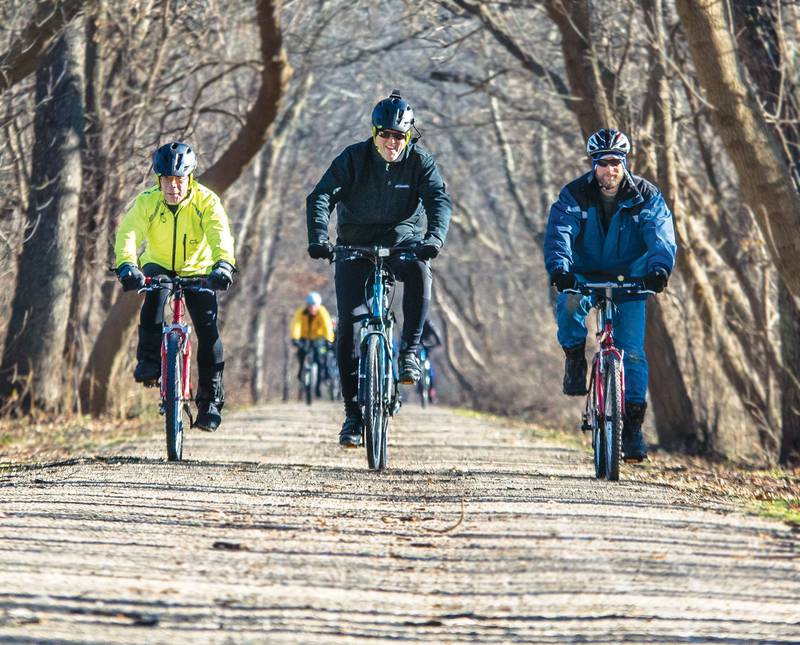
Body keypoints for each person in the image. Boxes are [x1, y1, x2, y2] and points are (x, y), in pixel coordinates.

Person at [306, 90, 452, 447]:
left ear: (408, 136)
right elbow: (321, 196)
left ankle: (408, 354)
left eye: (399, 136)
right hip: (353, 244)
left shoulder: (420, 162)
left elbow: (438, 199)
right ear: (374, 133)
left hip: (402, 240)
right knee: (348, 329)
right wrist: (318, 238)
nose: (392, 142)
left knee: (419, 270)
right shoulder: (353, 158)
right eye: (385, 134)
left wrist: (434, 238)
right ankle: (353, 415)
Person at [543, 128, 676, 462]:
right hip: (585, 273)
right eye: (603, 163)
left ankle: (632, 428)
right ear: (593, 165)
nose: (609, 169)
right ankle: (575, 358)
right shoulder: (574, 194)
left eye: (615, 162)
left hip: (631, 276)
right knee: (569, 304)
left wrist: (659, 269)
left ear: (624, 163)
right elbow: (560, 233)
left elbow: (660, 233)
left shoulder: (646, 195)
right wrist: (560, 268)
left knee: (632, 353)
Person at [114, 141, 236, 432]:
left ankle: (209, 402)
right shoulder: (148, 201)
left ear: (189, 178)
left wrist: (223, 264)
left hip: (199, 269)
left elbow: (221, 234)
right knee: (153, 302)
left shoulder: (206, 202)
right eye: (167, 179)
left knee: (208, 330)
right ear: (159, 179)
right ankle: (148, 363)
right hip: (158, 265)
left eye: (179, 179)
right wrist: (127, 264)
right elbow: (129, 233)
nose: (173, 186)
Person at [290, 291, 335, 396]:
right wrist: (295, 338)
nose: (312, 309)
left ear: (318, 306)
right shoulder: (301, 312)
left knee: (320, 360)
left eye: (314, 306)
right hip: (304, 338)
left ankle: (318, 387)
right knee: (301, 353)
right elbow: (296, 325)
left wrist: (329, 340)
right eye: (310, 306)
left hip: (318, 338)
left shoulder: (322, 312)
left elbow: (327, 326)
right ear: (307, 305)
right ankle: (301, 370)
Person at [420, 318, 443, 402]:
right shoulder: (413, 321)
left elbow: (436, 334)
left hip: (426, 346)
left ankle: (431, 392)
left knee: (430, 370)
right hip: (417, 346)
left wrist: (437, 343)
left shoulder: (428, 324)